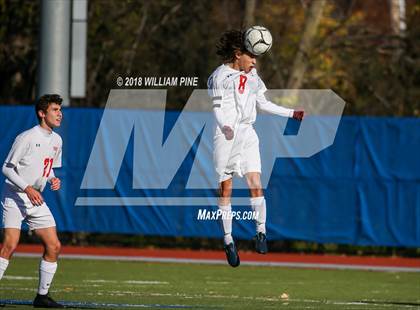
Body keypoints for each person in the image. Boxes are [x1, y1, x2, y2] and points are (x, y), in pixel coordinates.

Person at [208, 29, 304, 267]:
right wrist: (226, 126)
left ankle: (261, 233)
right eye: (251, 56)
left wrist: (291, 113)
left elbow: (263, 103)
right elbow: (217, 108)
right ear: (238, 53)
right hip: (226, 135)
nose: (254, 61)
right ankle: (229, 240)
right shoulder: (218, 77)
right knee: (226, 189)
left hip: (248, 133)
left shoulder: (253, 76)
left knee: (256, 183)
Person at [0, 94, 64, 307]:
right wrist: (26, 188)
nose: (59, 114)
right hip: (16, 196)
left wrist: (54, 179)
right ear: (42, 113)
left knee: (54, 246)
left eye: (59, 109)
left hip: (36, 198)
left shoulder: (57, 140)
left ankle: (41, 297)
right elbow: (6, 168)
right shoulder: (26, 137)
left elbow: (49, 167)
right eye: (54, 110)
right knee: (10, 245)